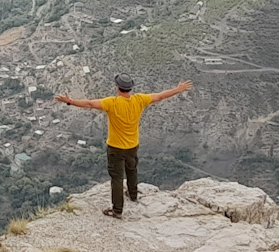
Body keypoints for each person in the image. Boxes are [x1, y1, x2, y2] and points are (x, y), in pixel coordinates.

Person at [55, 73, 192, 217]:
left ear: (117, 88)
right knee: (132, 170)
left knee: (117, 178)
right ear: (130, 88)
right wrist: (178, 89)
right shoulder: (139, 100)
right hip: (132, 145)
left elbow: (89, 104)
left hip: (115, 147)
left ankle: (117, 210)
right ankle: (133, 194)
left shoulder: (112, 103)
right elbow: (160, 96)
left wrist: (70, 101)